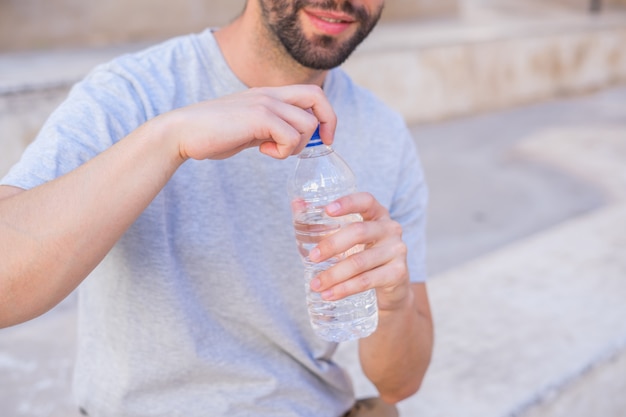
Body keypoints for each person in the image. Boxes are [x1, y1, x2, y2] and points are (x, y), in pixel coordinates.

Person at [0, 1, 433, 416]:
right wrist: (168, 139)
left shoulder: (385, 132)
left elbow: (399, 385)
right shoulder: (132, 92)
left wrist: (392, 303)